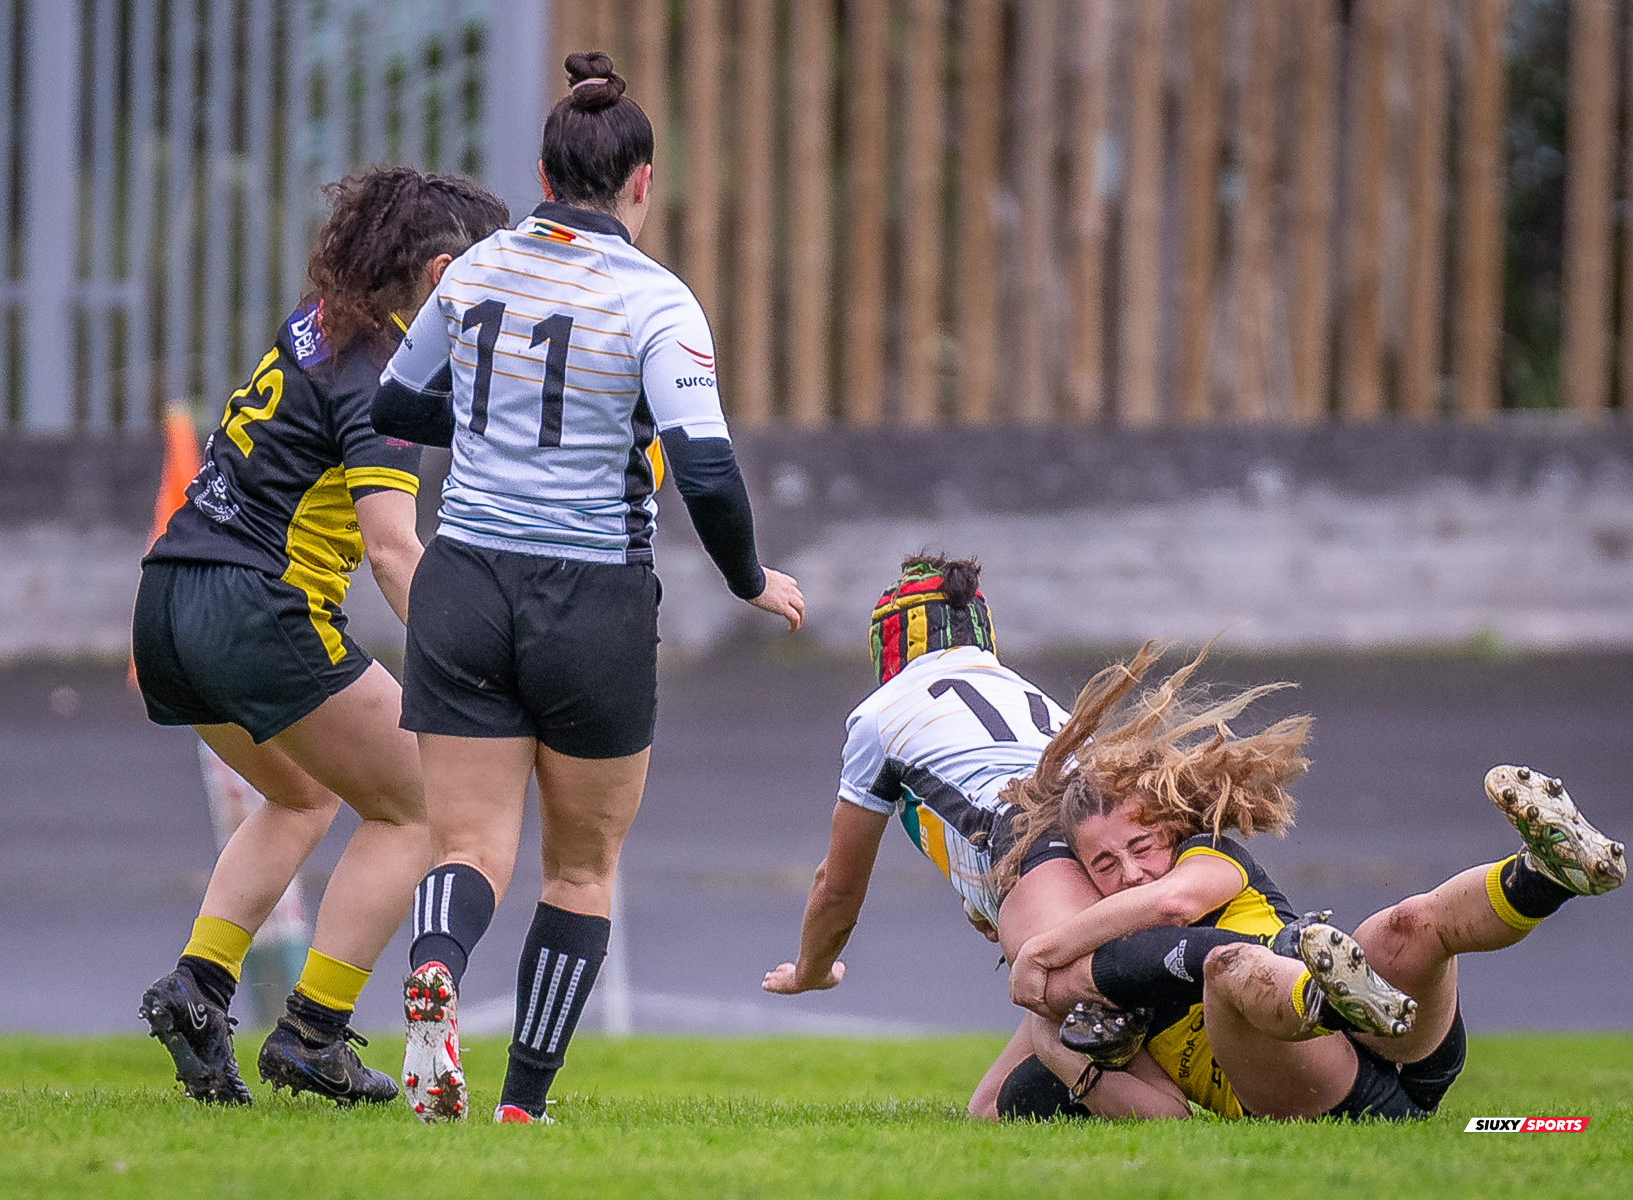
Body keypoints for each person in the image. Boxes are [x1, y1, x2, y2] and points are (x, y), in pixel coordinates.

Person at [372, 51, 805, 1125]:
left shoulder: (470, 273)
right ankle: (523, 1102)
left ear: (542, 170)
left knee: (467, 847)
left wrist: (494, 424)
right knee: (581, 866)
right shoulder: (657, 301)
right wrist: (749, 579)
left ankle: (434, 963)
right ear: (642, 181)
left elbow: (396, 401)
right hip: (592, 598)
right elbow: (705, 467)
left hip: (462, 578)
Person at [132, 168, 509, 1106]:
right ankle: (312, 1033)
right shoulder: (384, 371)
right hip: (254, 608)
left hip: (170, 600)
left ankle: (200, 986)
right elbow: (391, 551)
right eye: (488, 276)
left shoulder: (319, 326)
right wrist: (472, 664)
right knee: (419, 801)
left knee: (301, 794)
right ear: (439, 273)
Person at [1002, 643, 1628, 1121]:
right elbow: (1167, 1115)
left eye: (1139, 847)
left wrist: (1041, 952)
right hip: (1320, 1092)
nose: (1130, 872)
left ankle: (1548, 874)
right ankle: (1326, 995)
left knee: (1406, 924)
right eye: (1105, 866)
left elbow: (1172, 902)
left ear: (1170, 829)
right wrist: (1053, 1042)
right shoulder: (1113, 982)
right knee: (1229, 972)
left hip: (1404, 1043)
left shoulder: (1211, 857)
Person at [759, 555, 1120, 1119]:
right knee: (992, 1110)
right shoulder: (1036, 699)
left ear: (888, 641)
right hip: (1110, 848)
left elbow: (838, 889)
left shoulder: (880, 715)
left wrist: (810, 971)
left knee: (1086, 996)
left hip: (1030, 848)